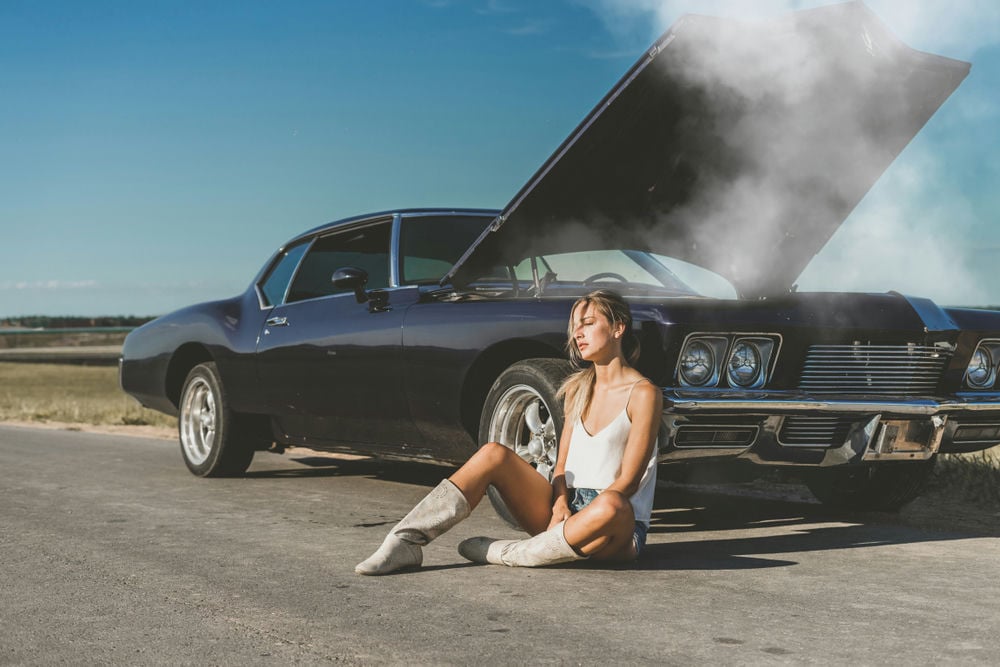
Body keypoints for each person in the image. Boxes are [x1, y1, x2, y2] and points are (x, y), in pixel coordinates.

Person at [355, 289, 661, 575]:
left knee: (613, 505)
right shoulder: (577, 388)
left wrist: (580, 518)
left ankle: (514, 553)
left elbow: (628, 482)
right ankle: (407, 540)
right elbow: (561, 468)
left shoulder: (644, 393)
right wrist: (559, 505)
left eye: (589, 323)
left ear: (618, 328)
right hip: (563, 511)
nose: (578, 334)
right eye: (575, 327)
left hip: (615, 527)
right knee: (493, 454)